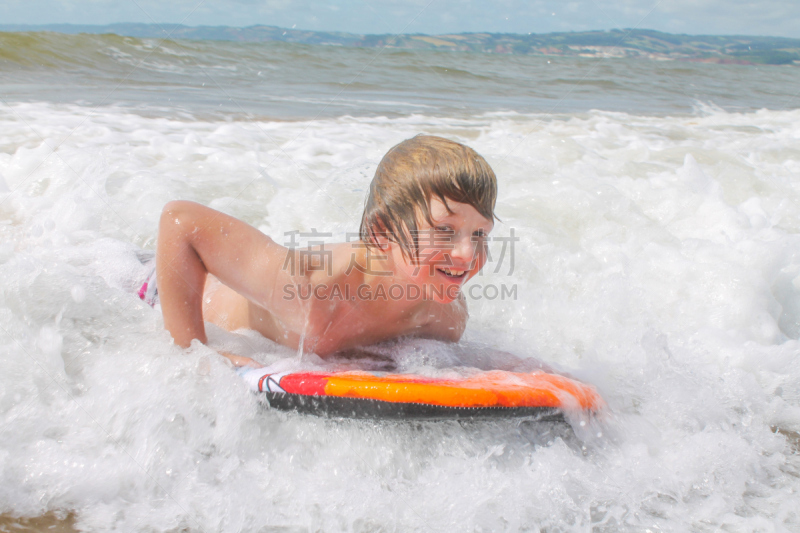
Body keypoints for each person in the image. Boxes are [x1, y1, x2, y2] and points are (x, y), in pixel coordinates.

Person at [151, 135, 497, 368]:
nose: (467, 253)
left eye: (480, 233)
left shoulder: (444, 318)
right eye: (444, 231)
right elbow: (180, 223)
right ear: (381, 233)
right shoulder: (310, 292)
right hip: (164, 288)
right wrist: (194, 354)